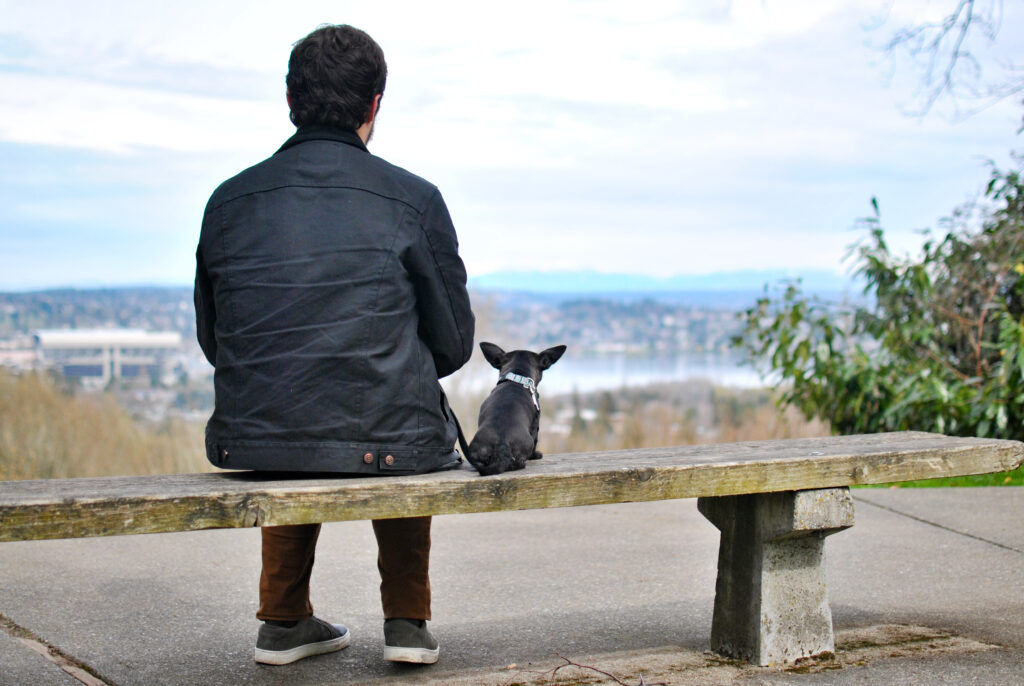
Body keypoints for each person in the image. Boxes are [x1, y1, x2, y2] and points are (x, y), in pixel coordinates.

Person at [194, 24, 474, 667]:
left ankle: (284, 619)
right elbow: (455, 343)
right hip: (389, 441)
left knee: (295, 405)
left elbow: (218, 340)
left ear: (291, 102)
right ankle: (408, 621)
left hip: (257, 436)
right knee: (401, 406)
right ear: (375, 103)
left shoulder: (228, 200)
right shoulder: (413, 199)